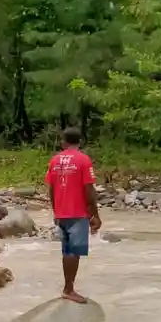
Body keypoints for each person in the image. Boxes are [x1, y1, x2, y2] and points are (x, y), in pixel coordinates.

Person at [45, 127, 101, 303]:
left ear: (63, 142)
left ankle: (68, 287)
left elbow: (51, 188)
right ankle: (68, 289)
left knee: (67, 250)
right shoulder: (83, 160)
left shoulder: (55, 161)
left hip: (62, 212)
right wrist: (95, 214)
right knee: (73, 252)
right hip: (77, 212)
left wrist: (56, 211)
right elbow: (89, 189)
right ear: (80, 142)